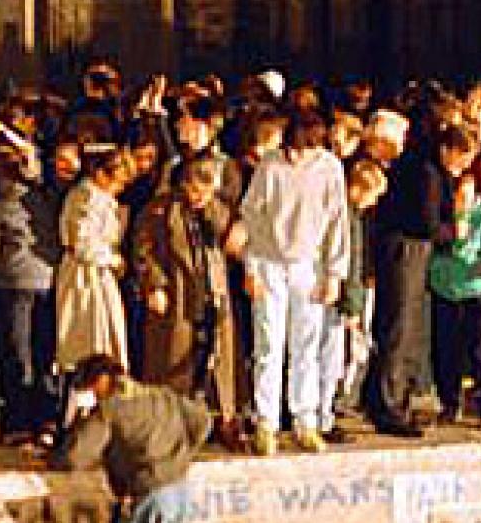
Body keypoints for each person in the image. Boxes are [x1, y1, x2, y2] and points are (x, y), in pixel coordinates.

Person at [57, 353, 211, 523]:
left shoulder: (110, 409)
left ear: (102, 380)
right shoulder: (162, 396)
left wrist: (60, 448)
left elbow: (76, 456)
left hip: (153, 494)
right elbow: (203, 421)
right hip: (182, 491)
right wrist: (183, 454)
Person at [239, 110, 350, 455]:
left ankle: (306, 421)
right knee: (268, 346)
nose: (297, 156)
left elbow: (338, 223)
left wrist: (335, 273)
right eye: (293, 148)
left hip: (309, 265)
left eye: (305, 149)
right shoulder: (270, 165)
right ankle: (266, 423)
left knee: (307, 346)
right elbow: (251, 215)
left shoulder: (330, 168)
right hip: (270, 264)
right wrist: (252, 267)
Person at [369, 123, 478, 436]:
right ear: (448, 150)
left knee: (408, 328)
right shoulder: (427, 173)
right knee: (398, 327)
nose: (464, 167)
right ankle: (389, 405)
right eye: (462, 159)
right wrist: (455, 228)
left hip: (413, 252)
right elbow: (427, 222)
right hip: (405, 250)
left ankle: (397, 400)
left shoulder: (429, 168)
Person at [132, 157, 245, 451]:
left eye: (207, 192)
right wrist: (154, 284)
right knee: (172, 358)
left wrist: (216, 214)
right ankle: (168, 425)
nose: (200, 197)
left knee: (217, 360)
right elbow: (144, 249)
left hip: (212, 293)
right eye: (196, 190)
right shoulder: (161, 209)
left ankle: (223, 419)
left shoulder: (214, 210)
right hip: (178, 293)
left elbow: (232, 239)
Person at [0, 145, 60, 447]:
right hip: (47, 282)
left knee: (16, 355)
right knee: (43, 354)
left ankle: (19, 422)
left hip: (12, 284)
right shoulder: (45, 201)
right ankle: (47, 419)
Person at [428, 171, 481, 427]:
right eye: (458, 195)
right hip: (446, 289)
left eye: (467, 195)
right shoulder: (444, 219)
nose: (462, 200)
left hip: (476, 290)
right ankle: (450, 402)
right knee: (446, 350)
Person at [57, 148, 134, 381]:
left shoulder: (101, 198)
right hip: (85, 277)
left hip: (98, 275)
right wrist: (113, 259)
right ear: (101, 174)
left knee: (104, 339)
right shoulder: (87, 197)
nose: (120, 188)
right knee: (89, 342)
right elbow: (81, 243)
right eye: (117, 182)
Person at [331, 160, 388, 427]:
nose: (373, 203)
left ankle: (340, 401)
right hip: (346, 296)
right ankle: (339, 401)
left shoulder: (352, 217)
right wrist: (353, 304)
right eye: (372, 195)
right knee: (347, 352)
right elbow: (351, 263)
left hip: (349, 292)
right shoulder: (349, 220)